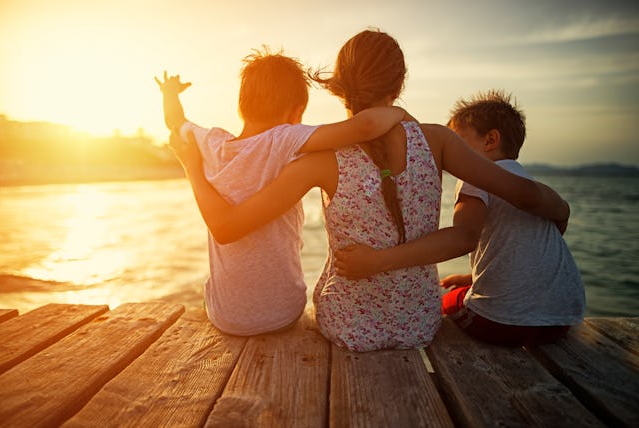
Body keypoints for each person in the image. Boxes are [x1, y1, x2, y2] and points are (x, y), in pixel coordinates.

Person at [168, 29, 570, 352]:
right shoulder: (438, 141)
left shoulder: (321, 159)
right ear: (399, 83)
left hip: (346, 326)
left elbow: (232, 225)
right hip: (420, 324)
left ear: (340, 87)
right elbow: (495, 217)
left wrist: (193, 162)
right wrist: (559, 207)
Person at [155, 48, 410, 336]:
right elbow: (366, 126)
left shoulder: (212, 142)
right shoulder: (284, 138)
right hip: (282, 314)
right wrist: (399, 110)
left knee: (209, 292)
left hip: (225, 317)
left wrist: (169, 94)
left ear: (241, 107)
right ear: (296, 112)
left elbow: (174, 122)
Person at [337, 90, 585, 347]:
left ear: (490, 140)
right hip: (560, 321)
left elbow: (465, 238)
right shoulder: (526, 181)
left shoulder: (477, 179)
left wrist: (377, 261)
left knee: (441, 306)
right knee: (464, 291)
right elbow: (548, 235)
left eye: (458, 143)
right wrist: (477, 276)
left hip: (501, 323)